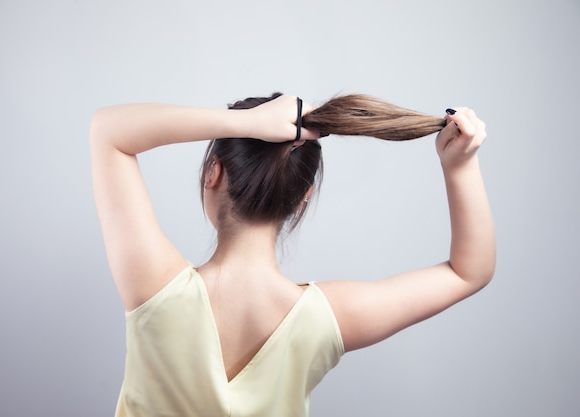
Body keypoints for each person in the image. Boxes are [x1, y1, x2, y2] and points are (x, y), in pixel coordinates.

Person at [90, 92, 495, 417]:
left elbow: (109, 130)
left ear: (214, 172)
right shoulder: (329, 317)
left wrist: (243, 123)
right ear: (302, 199)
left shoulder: (155, 286)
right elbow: (468, 273)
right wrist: (459, 167)